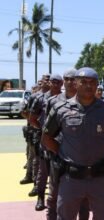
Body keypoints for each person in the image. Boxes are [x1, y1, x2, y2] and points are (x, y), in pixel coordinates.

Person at [41, 67, 104, 220]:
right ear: (76, 84)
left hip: (99, 178)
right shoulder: (61, 108)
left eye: (92, 82)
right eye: (83, 82)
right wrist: (63, 152)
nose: (88, 85)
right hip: (71, 178)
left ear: (98, 84)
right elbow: (46, 137)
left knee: (103, 217)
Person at [30, 73, 63, 211]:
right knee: (43, 171)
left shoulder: (66, 98)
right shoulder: (40, 98)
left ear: (61, 84)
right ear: (49, 83)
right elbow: (32, 118)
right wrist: (43, 129)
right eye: (53, 81)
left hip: (61, 140)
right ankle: (40, 198)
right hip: (45, 139)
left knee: (61, 172)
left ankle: (60, 199)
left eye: (57, 82)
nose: (55, 84)